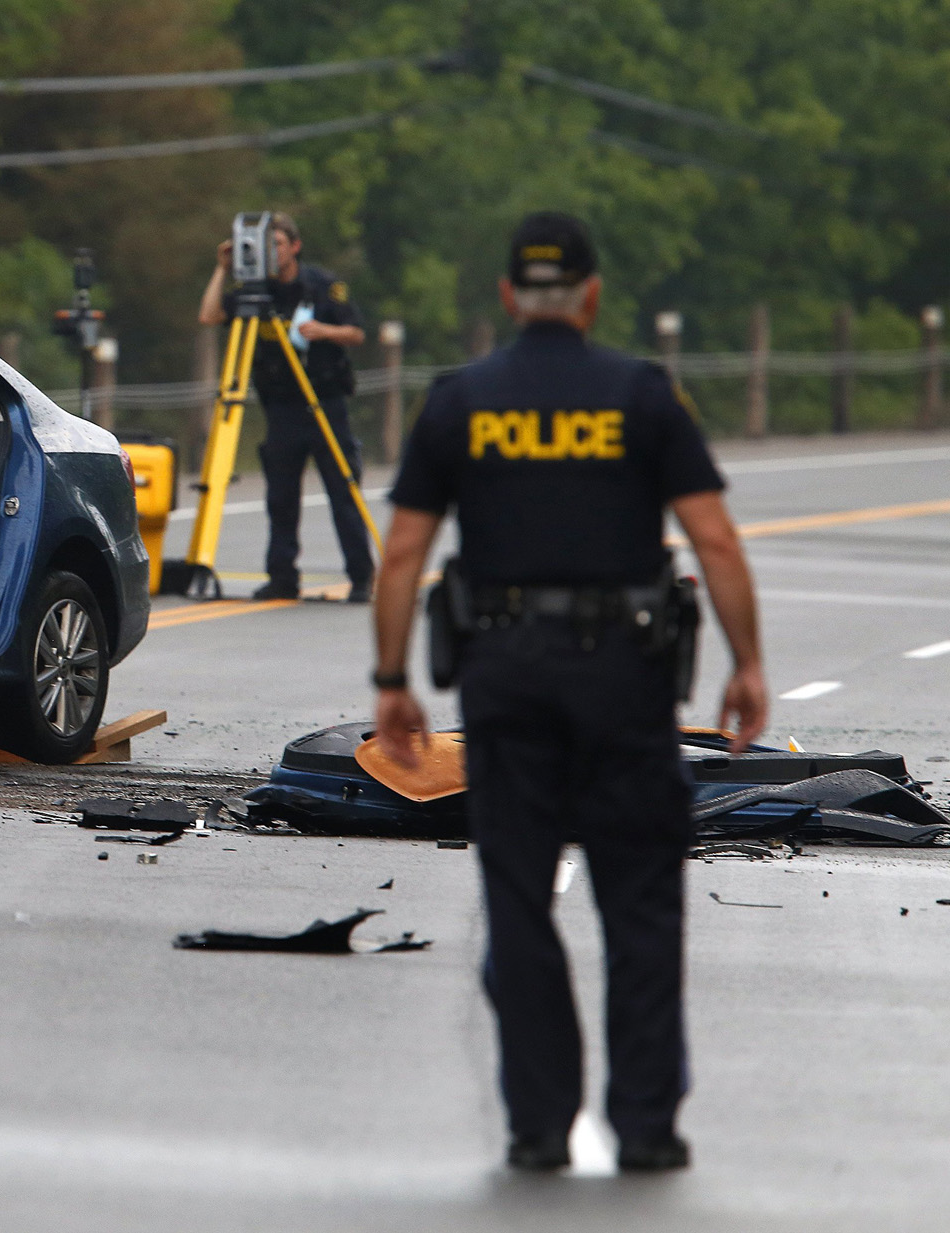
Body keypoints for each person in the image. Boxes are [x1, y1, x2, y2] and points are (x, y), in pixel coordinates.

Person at [369, 212, 768, 1173]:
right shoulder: (642, 395)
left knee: (517, 897)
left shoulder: (462, 400)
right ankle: (645, 1125)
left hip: (506, 679)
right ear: (591, 295)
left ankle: (539, 1126)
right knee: (639, 900)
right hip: (624, 682)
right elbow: (712, 539)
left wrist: (392, 680)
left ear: (510, 297)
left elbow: (405, 553)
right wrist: (747, 663)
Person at [197, 212, 373, 602]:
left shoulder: (323, 286)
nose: (271, 253)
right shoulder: (254, 291)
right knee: (280, 498)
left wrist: (324, 331)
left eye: (277, 244)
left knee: (343, 491)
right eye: (265, 245)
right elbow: (209, 315)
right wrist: (222, 270)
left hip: (325, 404)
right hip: (282, 409)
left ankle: (361, 577)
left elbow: (357, 332)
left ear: (295, 246)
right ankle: (282, 577)